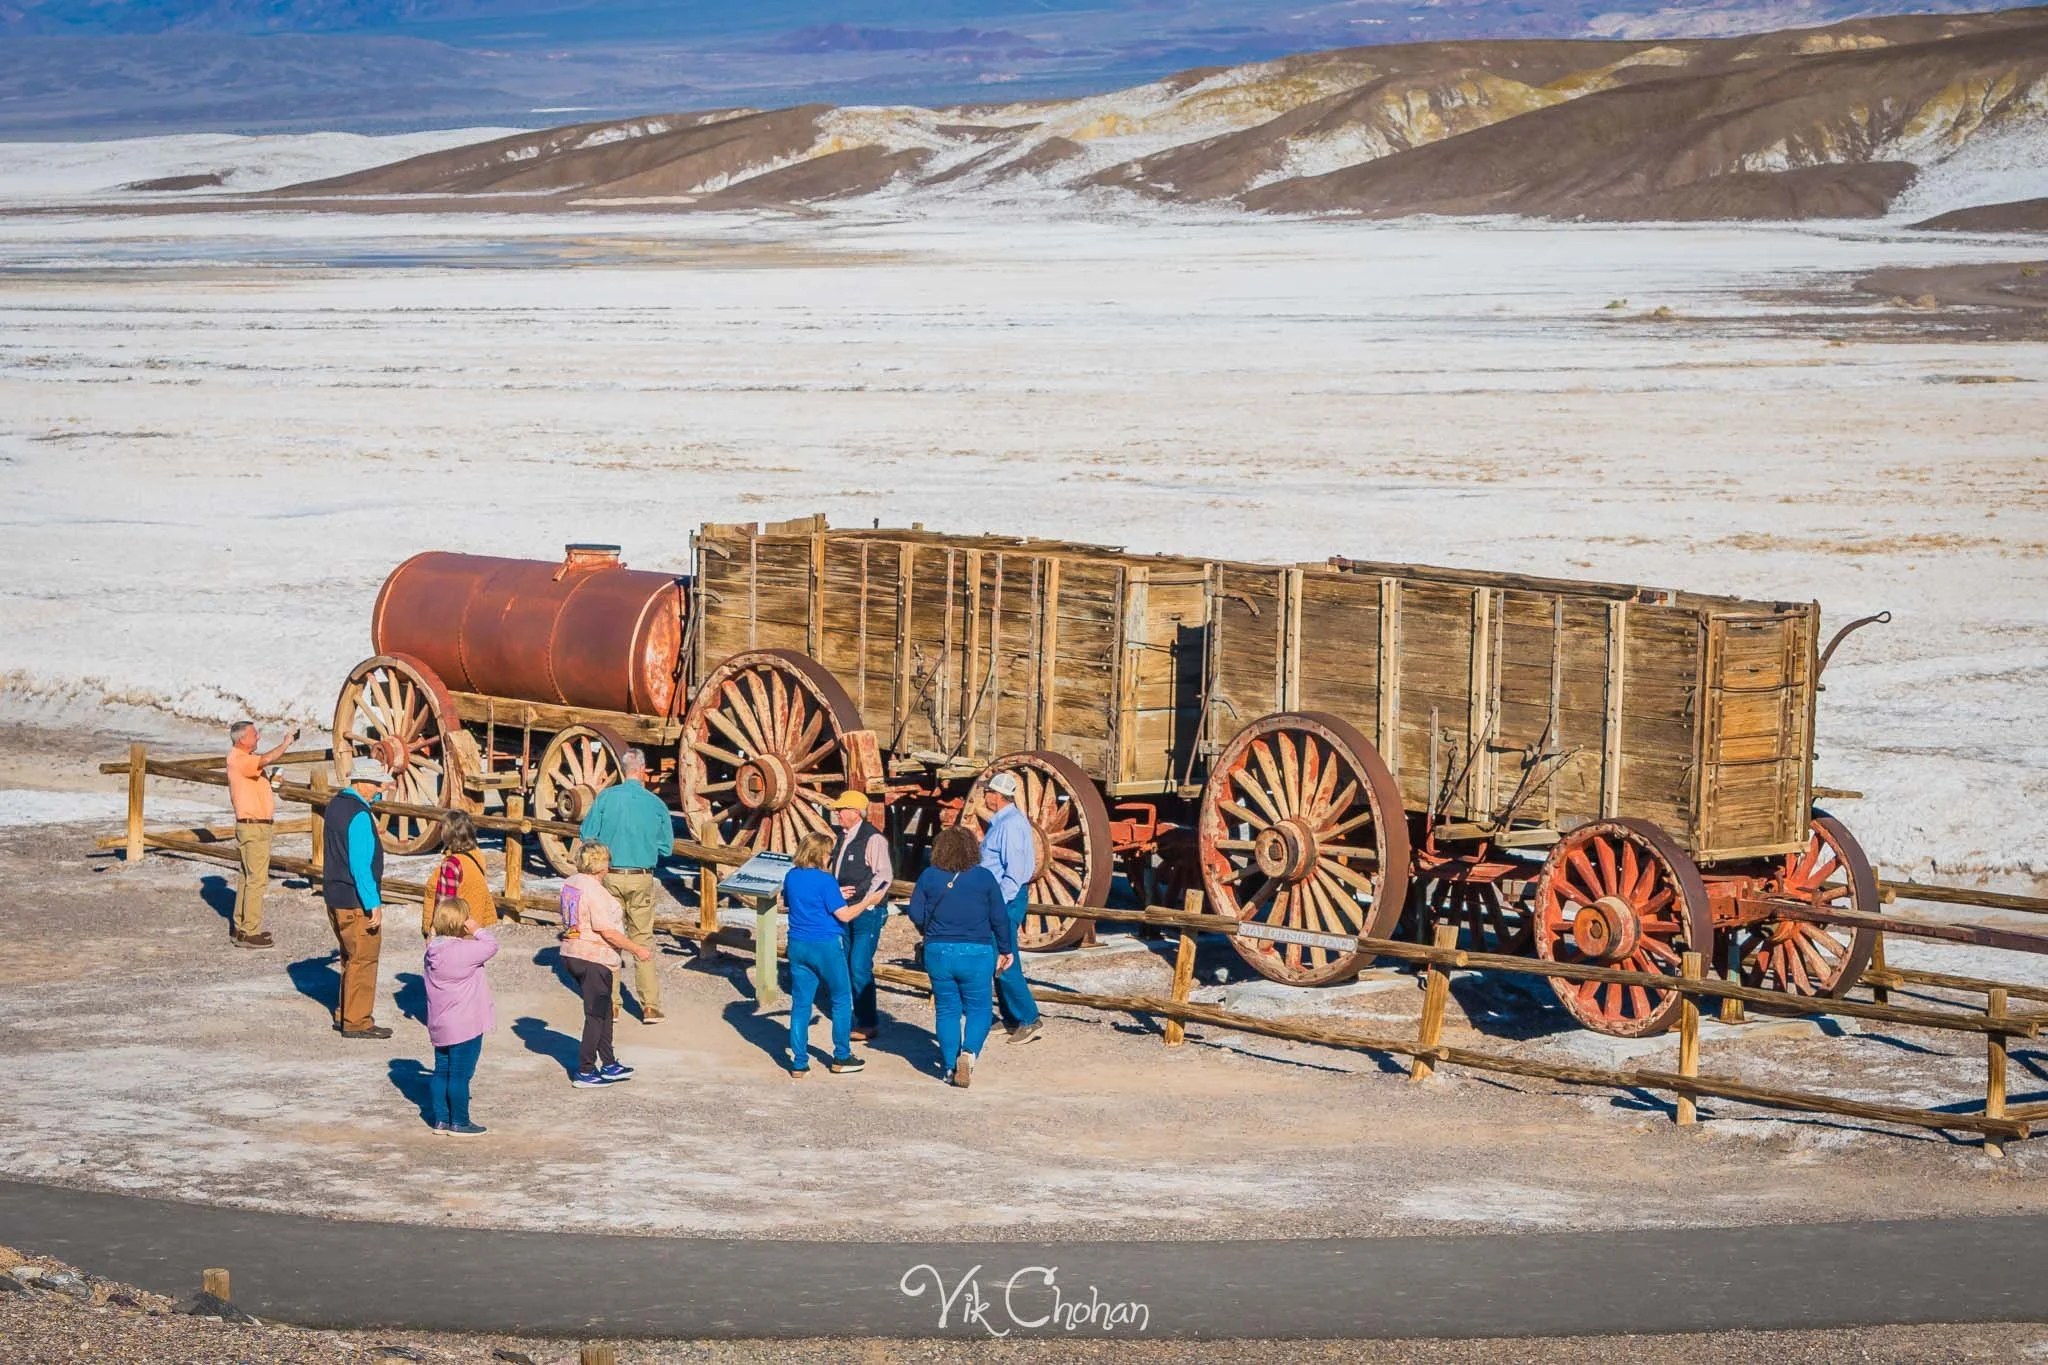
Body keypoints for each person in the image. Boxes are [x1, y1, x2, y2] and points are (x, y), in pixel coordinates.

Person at [904, 825, 1015, 1088]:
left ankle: (950, 1067)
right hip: (976, 951)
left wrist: (927, 930)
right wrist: (1006, 948)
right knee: (979, 1009)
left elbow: (915, 912)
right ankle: (969, 1052)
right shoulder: (985, 877)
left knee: (947, 1010)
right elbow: (999, 917)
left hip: (938, 950)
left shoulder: (929, 876)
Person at [577, 748, 671, 1024]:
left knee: (611, 938)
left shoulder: (606, 798)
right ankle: (650, 1005)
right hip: (641, 876)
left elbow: (586, 834)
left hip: (609, 876)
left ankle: (613, 1005)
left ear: (622, 770)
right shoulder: (655, 804)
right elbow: (666, 847)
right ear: (642, 771)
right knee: (641, 938)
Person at [557, 842, 652, 1088]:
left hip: (572, 953)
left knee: (606, 1010)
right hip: (593, 957)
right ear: (601, 864)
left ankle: (609, 1063)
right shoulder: (595, 892)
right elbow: (606, 931)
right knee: (596, 1015)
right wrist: (636, 949)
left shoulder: (571, 883)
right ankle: (585, 1070)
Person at [779, 832, 865, 1076]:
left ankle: (799, 1062)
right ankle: (841, 1055)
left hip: (798, 943)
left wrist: (836, 896)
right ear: (820, 855)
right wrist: (867, 900)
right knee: (841, 998)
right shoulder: (825, 880)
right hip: (825, 944)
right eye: (828, 853)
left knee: (801, 1003)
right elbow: (844, 916)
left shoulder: (792, 876)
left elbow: (788, 903)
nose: (830, 857)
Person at [323, 757, 393, 1039]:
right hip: (355, 900)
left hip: (334, 895)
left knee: (349, 957)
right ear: (362, 782)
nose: (379, 790)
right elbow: (361, 865)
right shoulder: (359, 816)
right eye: (376, 785)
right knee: (364, 958)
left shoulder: (337, 805)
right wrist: (373, 902)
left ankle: (345, 1013)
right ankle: (357, 1021)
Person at [978, 770, 1043, 1045]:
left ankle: (1029, 1018)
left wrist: (999, 902)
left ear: (997, 796)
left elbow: (1015, 871)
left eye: (988, 792)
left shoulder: (1011, 825)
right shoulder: (1002, 822)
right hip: (999, 897)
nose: (984, 795)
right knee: (996, 955)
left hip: (1006, 898)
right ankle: (1011, 1017)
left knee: (1005, 956)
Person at [423, 898, 497, 1137]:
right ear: (462, 923)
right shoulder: (465, 951)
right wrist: (476, 929)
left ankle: (441, 1119)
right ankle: (460, 1122)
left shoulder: (433, 950)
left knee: (441, 1071)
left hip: (440, 1024)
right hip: (466, 1024)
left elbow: (433, 940)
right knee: (460, 1075)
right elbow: (492, 944)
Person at [224, 719, 300, 949]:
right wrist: (286, 742)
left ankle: (241, 926)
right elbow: (267, 758)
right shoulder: (240, 759)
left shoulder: (241, 761)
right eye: (254, 734)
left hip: (252, 825)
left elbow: (260, 774)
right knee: (256, 879)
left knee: (247, 877)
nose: (258, 737)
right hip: (254, 827)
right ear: (242, 739)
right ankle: (250, 931)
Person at [829, 789, 893, 1042]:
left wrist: (868, 901)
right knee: (843, 962)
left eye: (842, 810)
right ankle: (851, 1014)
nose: (838, 813)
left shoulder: (873, 839)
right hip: (844, 910)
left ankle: (867, 1022)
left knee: (859, 965)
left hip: (866, 911)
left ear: (856, 813)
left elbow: (884, 875)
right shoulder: (842, 837)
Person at [422, 810, 499, 938]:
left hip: (454, 931)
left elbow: (445, 903)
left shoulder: (452, 864)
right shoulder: (476, 855)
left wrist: (434, 933)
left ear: (448, 834)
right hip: (474, 926)